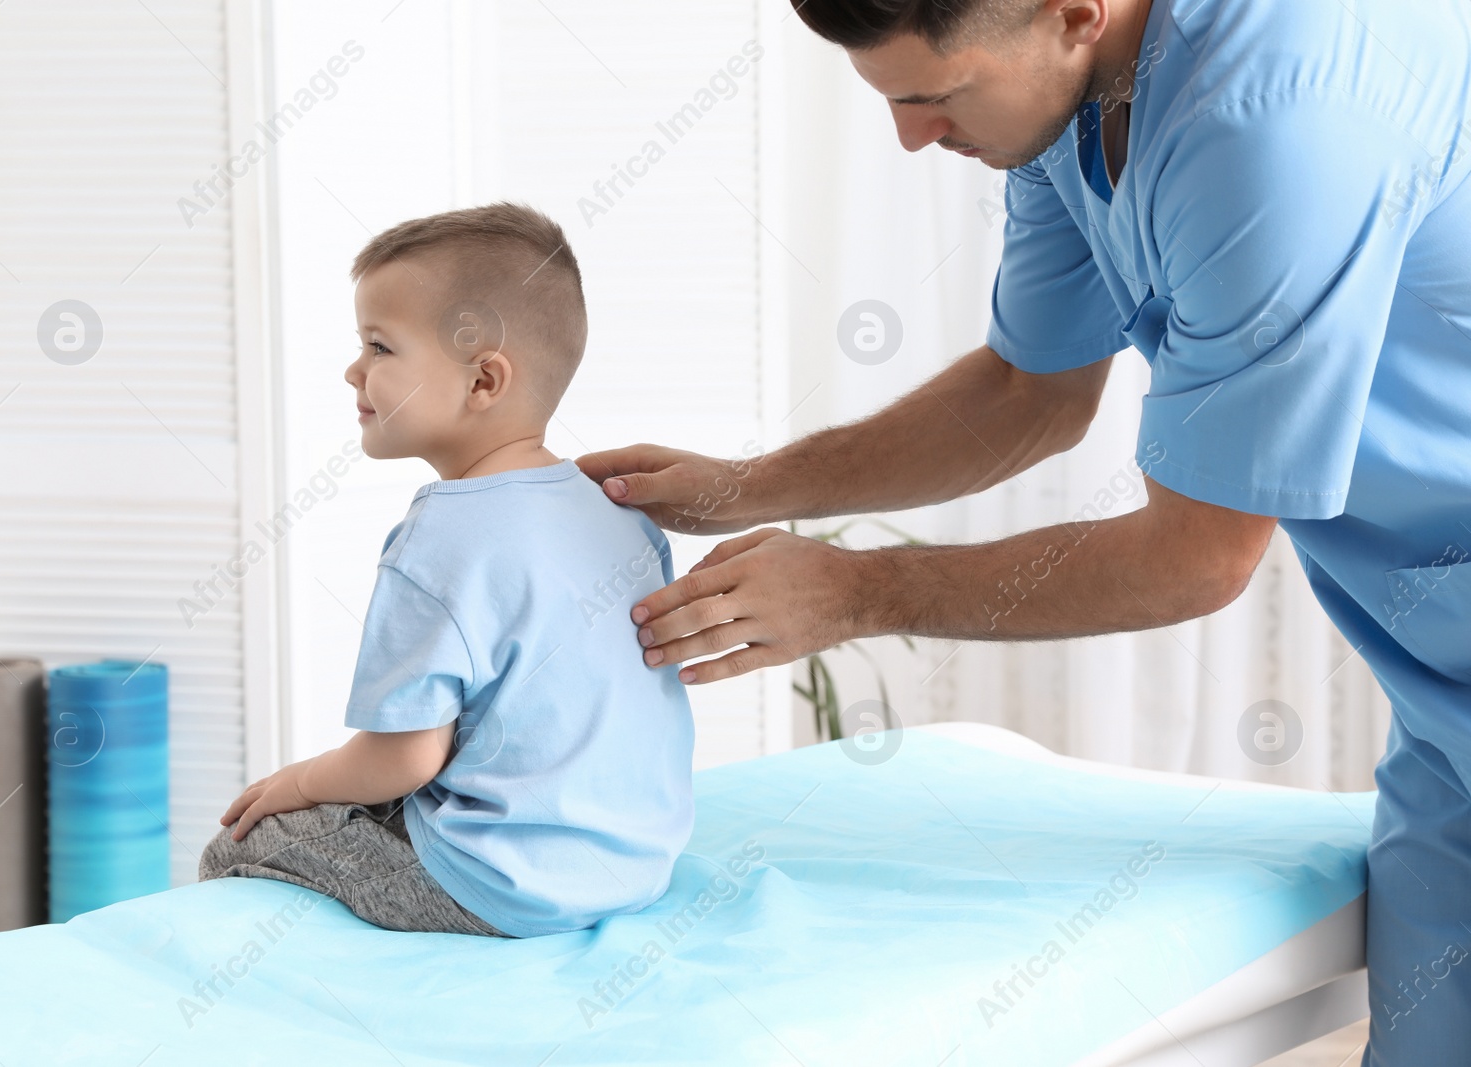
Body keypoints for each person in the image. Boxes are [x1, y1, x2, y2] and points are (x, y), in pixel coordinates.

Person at [576, 0, 1471, 1060]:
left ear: (1075, 13)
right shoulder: (1071, 101)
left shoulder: (1272, 122)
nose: (910, 135)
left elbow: (1193, 561)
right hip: (1438, 679)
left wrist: (857, 592)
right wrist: (749, 485)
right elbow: (1025, 392)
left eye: (933, 96)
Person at [199, 202, 695, 939]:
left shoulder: (442, 537)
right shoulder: (619, 511)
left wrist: (297, 782)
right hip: (639, 861)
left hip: (502, 884)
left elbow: (405, 757)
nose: (353, 370)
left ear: (483, 381)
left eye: (379, 346)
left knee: (236, 847)